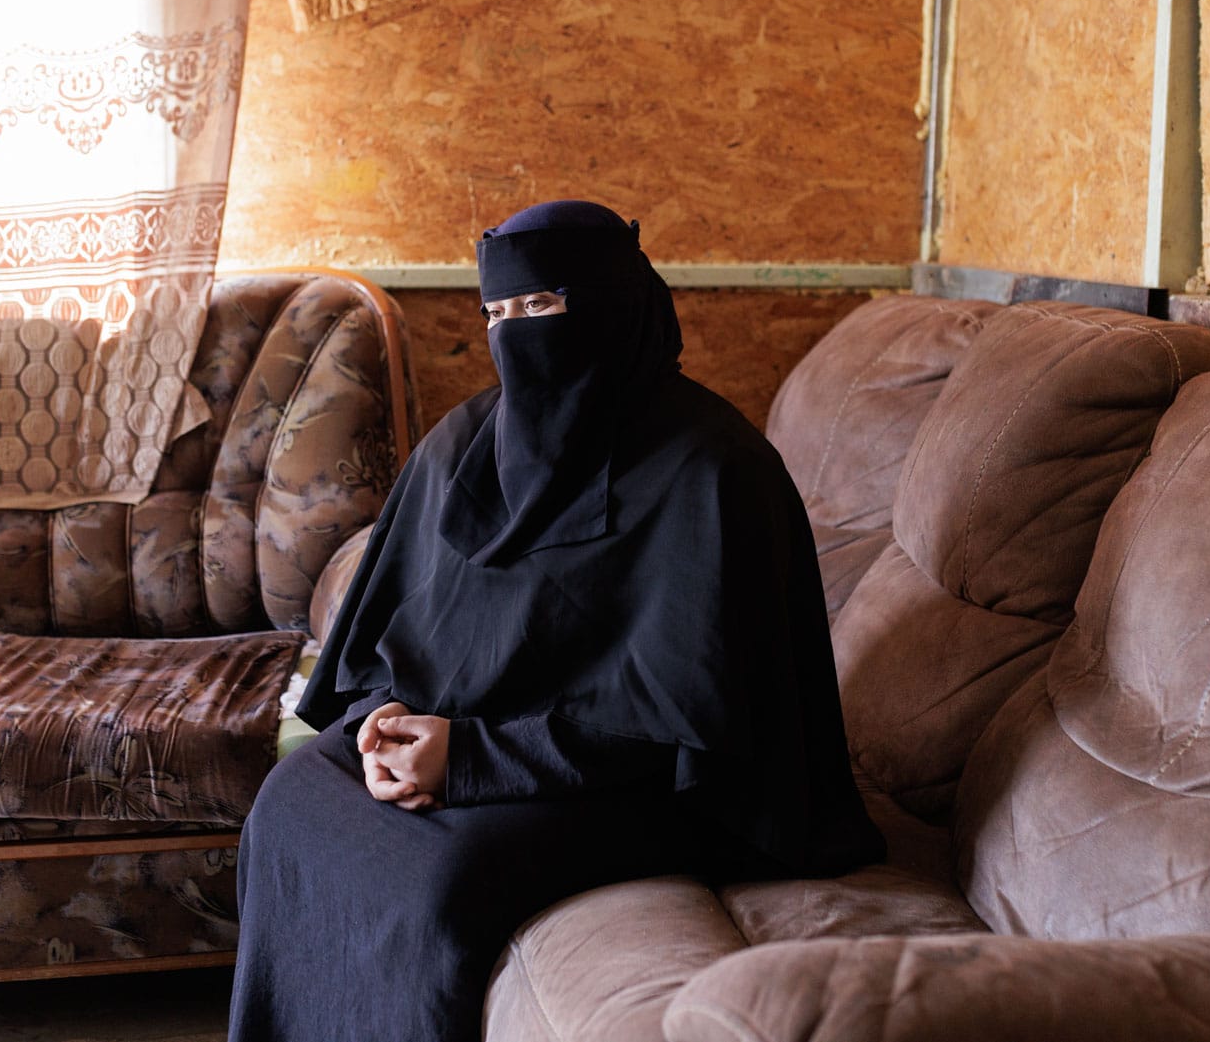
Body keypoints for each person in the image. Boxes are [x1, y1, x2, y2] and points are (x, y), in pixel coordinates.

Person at [228, 201, 879, 1042]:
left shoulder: (715, 472)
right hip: (471, 751)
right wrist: (380, 725)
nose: (515, 335)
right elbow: (388, 642)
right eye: (497, 313)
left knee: (440, 881)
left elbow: (695, 733)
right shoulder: (464, 442)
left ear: (615, 304)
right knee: (292, 796)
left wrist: (469, 758)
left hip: (653, 788)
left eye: (540, 307)